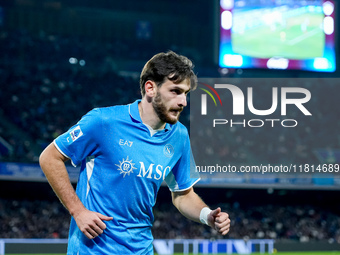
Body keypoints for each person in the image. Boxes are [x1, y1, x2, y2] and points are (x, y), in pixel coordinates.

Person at [39, 51, 231, 254]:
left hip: (141, 249)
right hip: (94, 249)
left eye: (186, 93)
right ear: (150, 88)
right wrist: (78, 211)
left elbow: (183, 194)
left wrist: (206, 215)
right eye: (175, 91)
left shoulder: (179, 136)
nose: (183, 101)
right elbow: (50, 157)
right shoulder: (103, 121)